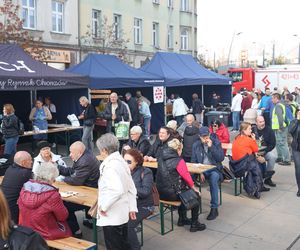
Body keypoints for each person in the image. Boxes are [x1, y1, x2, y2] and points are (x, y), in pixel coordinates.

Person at [96, 133, 137, 250]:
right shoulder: (121, 162)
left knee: (115, 246)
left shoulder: (110, 166)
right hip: (122, 212)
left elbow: (117, 190)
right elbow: (131, 187)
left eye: (100, 150)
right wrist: (132, 207)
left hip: (112, 214)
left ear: (104, 150)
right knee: (123, 244)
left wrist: (104, 206)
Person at [157, 138, 206, 232]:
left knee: (184, 192)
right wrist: (194, 188)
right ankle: (194, 224)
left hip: (161, 192)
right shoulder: (179, 161)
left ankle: (182, 219)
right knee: (196, 196)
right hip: (172, 194)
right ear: (178, 149)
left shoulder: (161, 158)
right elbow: (186, 176)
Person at [18, 162, 72, 240]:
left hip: (26, 229)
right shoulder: (53, 194)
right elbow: (63, 217)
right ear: (51, 178)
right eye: (54, 178)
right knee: (68, 226)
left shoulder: (24, 189)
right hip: (45, 233)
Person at [57, 141, 100, 237]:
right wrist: (58, 168)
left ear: (79, 152)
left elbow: (76, 181)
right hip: (91, 188)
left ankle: (76, 231)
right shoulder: (84, 155)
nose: (70, 155)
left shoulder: (84, 161)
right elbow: (74, 171)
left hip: (90, 194)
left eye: (72, 152)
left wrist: (62, 179)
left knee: (64, 206)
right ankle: (89, 221)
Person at [191, 126, 224, 220]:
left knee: (213, 179)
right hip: (201, 169)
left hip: (214, 169)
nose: (206, 138)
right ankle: (188, 205)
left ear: (209, 135)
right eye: (203, 137)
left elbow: (220, 158)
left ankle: (214, 208)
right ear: (199, 136)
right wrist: (199, 172)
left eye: (207, 136)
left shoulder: (216, 143)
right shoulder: (196, 145)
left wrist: (212, 147)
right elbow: (193, 161)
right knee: (186, 177)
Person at [124, 149, 154, 250]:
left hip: (144, 206)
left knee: (128, 225)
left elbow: (145, 191)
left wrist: (129, 188)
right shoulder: (124, 172)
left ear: (136, 161)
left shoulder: (146, 172)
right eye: (124, 161)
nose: (125, 164)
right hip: (128, 205)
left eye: (128, 162)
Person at [231, 122, 266, 199]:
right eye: (249, 129)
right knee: (257, 164)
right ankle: (257, 187)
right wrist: (253, 139)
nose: (251, 131)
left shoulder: (236, 138)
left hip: (235, 166)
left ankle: (257, 186)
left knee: (255, 161)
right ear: (244, 130)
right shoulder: (248, 140)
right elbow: (256, 149)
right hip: (244, 165)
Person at [1, 151, 33, 224]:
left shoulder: (9, 169)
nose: (31, 162)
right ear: (23, 162)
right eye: (30, 160)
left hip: (3, 204)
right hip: (14, 209)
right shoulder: (26, 173)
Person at [252, 116, 277, 187]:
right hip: (254, 152)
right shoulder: (252, 130)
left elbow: (272, 144)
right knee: (257, 160)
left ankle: (267, 178)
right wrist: (256, 154)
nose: (263, 123)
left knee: (272, 157)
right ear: (256, 123)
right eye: (260, 122)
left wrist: (265, 152)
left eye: (263, 121)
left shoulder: (269, 130)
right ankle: (256, 178)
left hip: (264, 151)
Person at [271, 93, 291, 165]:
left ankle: (286, 160)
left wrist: (280, 127)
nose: (272, 100)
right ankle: (280, 157)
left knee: (282, 143)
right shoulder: (280, 105)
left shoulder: (278, 106)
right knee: (278, 143)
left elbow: (280, 118)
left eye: (272, 98)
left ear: (276, 98)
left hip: (280, 128)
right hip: (279, 127)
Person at [289, 107, 300, 196]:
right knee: (298, 169)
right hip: (297, 148)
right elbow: (290, 131)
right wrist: (297, 120)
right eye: (298, 110)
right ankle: (299, 188)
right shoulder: (294, 121)